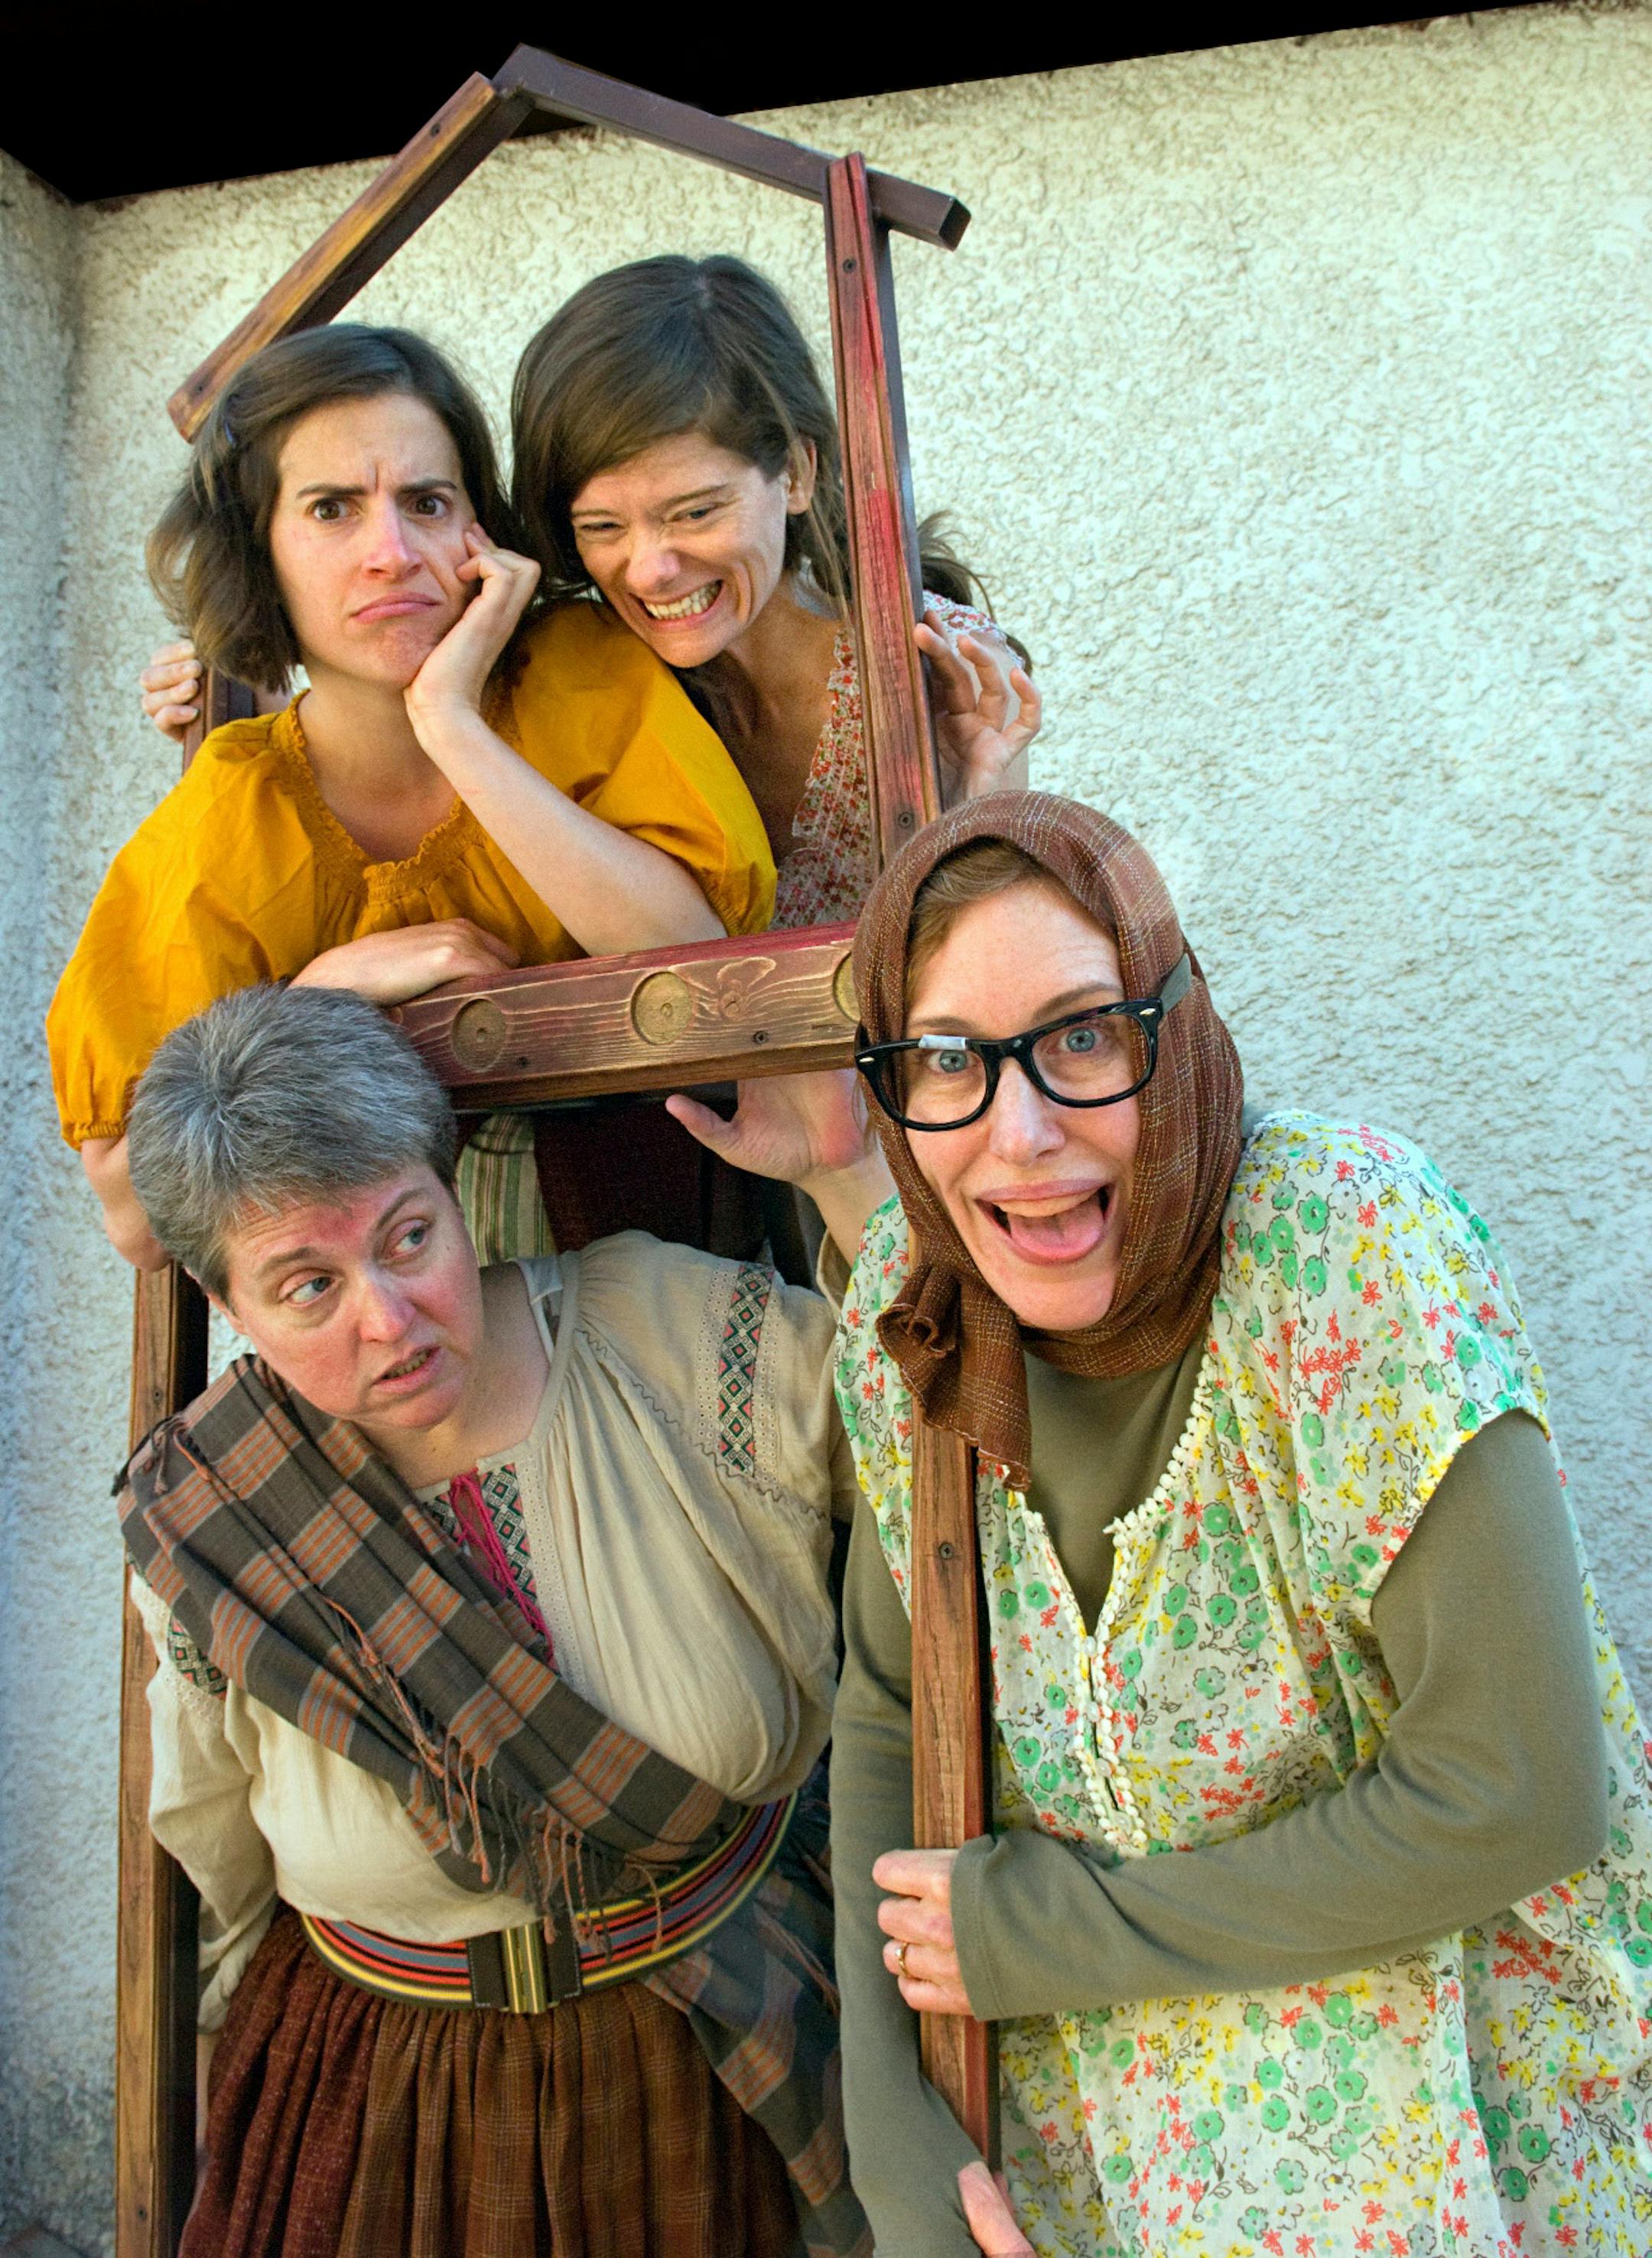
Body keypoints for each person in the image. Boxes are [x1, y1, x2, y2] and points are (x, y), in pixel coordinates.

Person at [671, 792, 1652, 2256]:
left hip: (1451, 2125)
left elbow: (1514, 1790)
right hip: (1093, 2173)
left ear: (1173, 1024)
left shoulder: (1341, 1251)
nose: (1022, 1134)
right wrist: (896, 2145)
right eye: (946, 1060)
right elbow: (893, 1710)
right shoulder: (917, 1310)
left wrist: (1042, 1937)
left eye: (1081, 1036)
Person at [115, 981, 867, 2258]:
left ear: (454, 1193)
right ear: (225, 1303)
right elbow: (213, 1849)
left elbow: (939, 1413)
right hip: (378, 2105)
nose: (387, 1315)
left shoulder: (681, 1338)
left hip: (720, 2067)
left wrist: (848, 1177)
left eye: (411, 1237)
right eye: (307, 1284)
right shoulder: (220, 1510)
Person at [55, 323, 774, 1271]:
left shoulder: (584, 674)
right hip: (390, 1328)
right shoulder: (238, 811)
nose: (392, 552)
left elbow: (707, 983)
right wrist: (316, 1003)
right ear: (258, 551)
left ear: (481, 530)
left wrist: (451, 722)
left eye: (428, 502)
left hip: (686, 1262)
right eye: (330, 510)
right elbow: (137, 1221)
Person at [510, 255, 1040, 926]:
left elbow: (996, 968)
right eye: (603, 526)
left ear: (795, 472)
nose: (648, 571)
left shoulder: (939, 667)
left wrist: (977, 809)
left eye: (696, 512)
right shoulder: (590, 686)